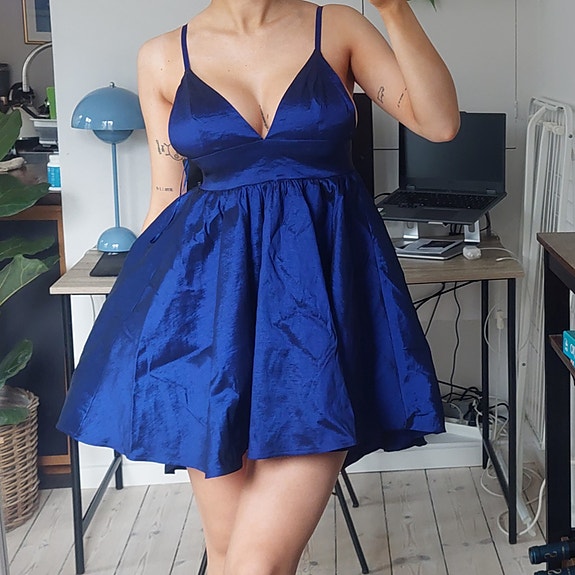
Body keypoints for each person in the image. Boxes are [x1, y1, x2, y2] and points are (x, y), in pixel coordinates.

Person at [58, 0, 459, 573]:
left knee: (256, 563)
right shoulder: (162, 55)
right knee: (226, 553)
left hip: (317, 314)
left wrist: (394, 9)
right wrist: (133, 330)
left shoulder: (337, 26)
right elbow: (166, 198)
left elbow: (439, 123)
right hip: (209, 318)